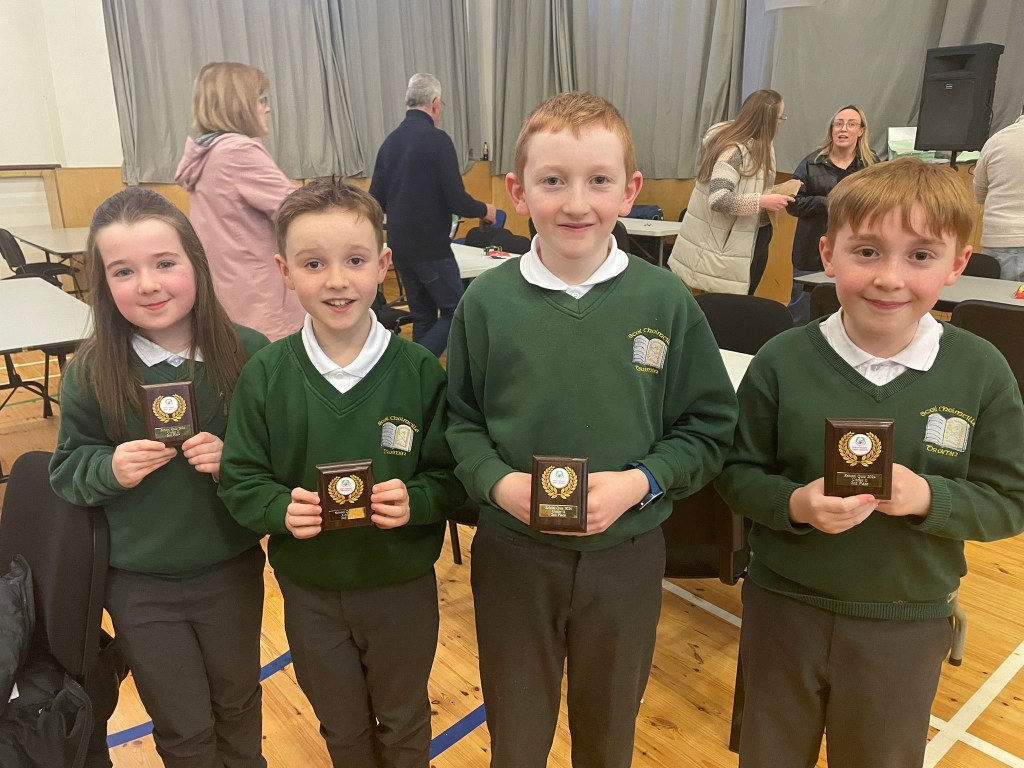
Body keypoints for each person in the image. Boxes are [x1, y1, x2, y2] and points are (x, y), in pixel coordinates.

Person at [446, 92, 738, 768]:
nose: (576, 203)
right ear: (518, 191)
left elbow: (709, 427)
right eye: (553, 181)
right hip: (514, 557)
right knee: (517, 737)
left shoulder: (665, 300)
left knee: (608, 738)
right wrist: (499, 485)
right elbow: (460, 423)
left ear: (630, 190)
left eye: (598, 180)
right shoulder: (486, 303)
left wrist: (642, 481)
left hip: (625, 559)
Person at [715, 157, 1024, 768]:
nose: (889, 278)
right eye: (867, 251)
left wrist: (928, 498)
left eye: (920, 255)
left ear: (958, 264)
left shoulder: (981, 371)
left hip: (906, 622)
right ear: (828, 254)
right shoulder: (781, 360)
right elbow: (735, 473)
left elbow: (1011, 499)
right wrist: (795, 504)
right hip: (783, 610)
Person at [218, 178, 463, 767]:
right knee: (343, 728)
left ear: (383, 264)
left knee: (404, 723)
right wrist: (280, 509)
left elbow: (453, 476)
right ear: (285, 271)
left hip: (401, 588)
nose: (336, 280)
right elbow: (240, 479)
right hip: (311, 592)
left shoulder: (419, 372)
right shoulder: (266, 375)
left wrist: (418, 500)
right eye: (313, 263)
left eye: (354, 260)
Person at [49, 188, 269, 768]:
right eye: (123, 271)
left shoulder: (249, 354)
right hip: (137, 585)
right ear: (103, 284)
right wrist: (110, 467)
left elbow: (280, 460)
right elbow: (67, 470)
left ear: (196, 264)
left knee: (238, 704)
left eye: (165, 263)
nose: (147, 284)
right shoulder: (91, 371)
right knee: (182, 726)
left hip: (230, 569)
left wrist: (235, 462)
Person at [370, 72, 496, 357]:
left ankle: (418, 376)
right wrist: (484, 210)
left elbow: (375, 200)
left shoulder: (389, 143)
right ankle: (412, 367)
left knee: (423, 316)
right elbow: (456, 200)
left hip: (400, 248)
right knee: (457, 312)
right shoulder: (437, 140)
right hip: (431, 249)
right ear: (436, 103)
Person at [176, 61, 304, 341]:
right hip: (264, 298)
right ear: (240, 104)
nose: (266, 108)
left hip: (233, 292)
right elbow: (300, 212)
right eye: (260, 99)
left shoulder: (210, 153)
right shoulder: (238, 152)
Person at [669, 89, 793, 295]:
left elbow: (749, 186)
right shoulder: (734, 150)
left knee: (741, 303)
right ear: (768, 121)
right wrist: (762, 201)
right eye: (780, 118)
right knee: (726, 308)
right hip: (726, 246)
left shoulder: (762, 144)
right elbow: (719, 199)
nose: (781, 123)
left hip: (752, 237)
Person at [786, 105, 878, 324]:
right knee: (802, 312)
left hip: (856, 252)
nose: (843, 129)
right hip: (810, 253)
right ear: (832, 130)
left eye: (851, 124)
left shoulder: (872, 166)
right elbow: (792, 204)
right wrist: (825, 203)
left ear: (861, 131)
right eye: (839, 124)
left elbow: (882, 205)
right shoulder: (810, 163)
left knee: (850, 313)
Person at [974, 103, 1024, 281]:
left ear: (1021, 110)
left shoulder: (997, 141)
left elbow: (979, 193)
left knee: (997, 300)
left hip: (1000, 242)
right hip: (1002, 243)